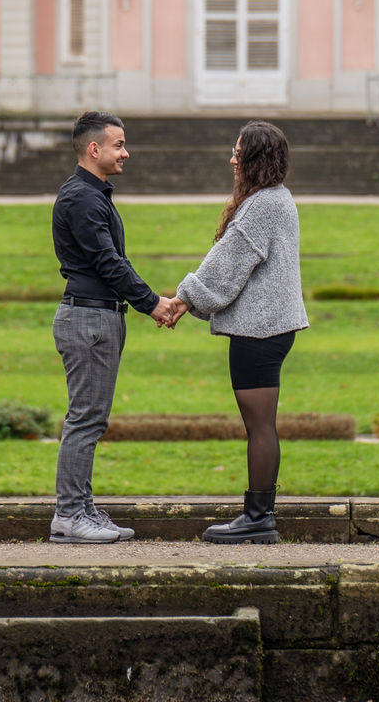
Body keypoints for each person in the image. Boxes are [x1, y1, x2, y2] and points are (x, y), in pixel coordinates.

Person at [48, 111, 182, 544]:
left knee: (91, 419)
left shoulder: (92, 195)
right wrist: (153, 304)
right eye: (119, 145)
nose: (126, 152)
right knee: (85, 420)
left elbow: (111, 262)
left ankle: (82, 507)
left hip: (97, 316)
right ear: (94, 149)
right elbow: (109, 263)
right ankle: (69, 515)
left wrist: (145, 303)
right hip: (88, 319)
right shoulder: (82, 199)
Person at [172, 120, 307, 545]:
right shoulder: (275, 199)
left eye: (238, 152)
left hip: (259, 333)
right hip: (271, 329)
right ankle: (258, 513)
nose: (231, 159)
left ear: (255, 158)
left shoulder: (263, 204)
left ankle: (258, 517)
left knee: (260, 426)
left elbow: (227, 264)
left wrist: (182, 300)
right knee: (262, 425)